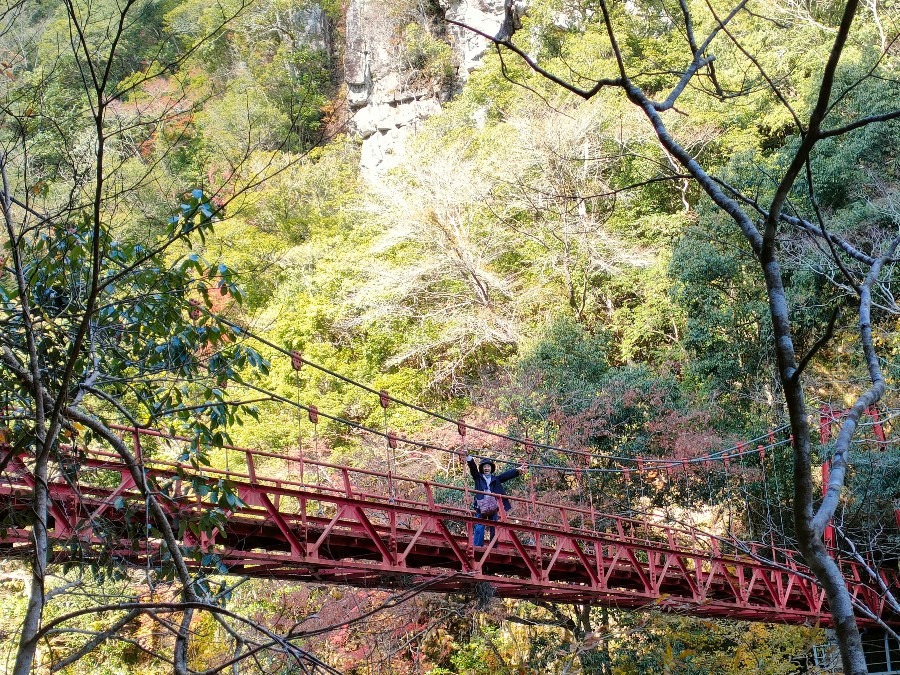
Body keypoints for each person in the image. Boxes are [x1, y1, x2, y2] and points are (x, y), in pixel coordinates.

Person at [464, 454, 527, 546]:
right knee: (480, 525)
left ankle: (493, 546)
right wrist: (469, 459)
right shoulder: (478, 477)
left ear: (491, 468)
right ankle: (478, 545)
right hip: (481, 505)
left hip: (493, 505)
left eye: (488, 466)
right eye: (484, 466)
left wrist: (517, 470)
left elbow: (505, 476)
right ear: (482, 468)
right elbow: (473, 469)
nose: (486, 468)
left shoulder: (496, 479)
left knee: (494, 526)